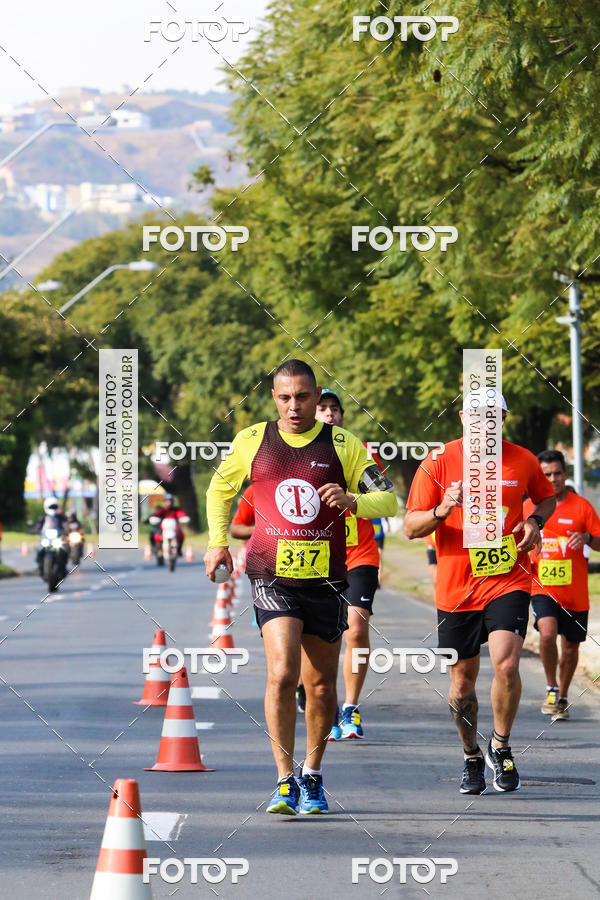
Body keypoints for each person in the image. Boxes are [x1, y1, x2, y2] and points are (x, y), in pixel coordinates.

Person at [204, 360, 397, 815]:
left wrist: (354, 500)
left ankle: (312, 775)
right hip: (272, 574)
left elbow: (387, 498)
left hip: (327, 579)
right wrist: (217, 543)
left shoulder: (344, 445)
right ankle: (284, 780)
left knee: (321, 687)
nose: (294, 406)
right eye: (285, 397)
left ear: (316, 397)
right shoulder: (253, 440)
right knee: (282, 672)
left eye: (303, 397)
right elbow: (218, 488)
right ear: (274, 398)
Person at [404, 391, 555, 794]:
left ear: (504, 418)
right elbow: (410, 527)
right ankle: (471, 756)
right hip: (456, 588)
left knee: (506, 664)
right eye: (476, 416)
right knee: (461, 683)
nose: (485, 423)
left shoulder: (522, 459)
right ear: (462, 417)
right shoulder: (437, 462)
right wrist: (442, 509)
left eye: (493, 416)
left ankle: (501, 746)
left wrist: (535, 521)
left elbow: (546, 496)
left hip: (508, 577)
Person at [314, 388, 382, 741]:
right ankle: (320, 699)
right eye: (322, 408)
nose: (329, 414)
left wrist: (353, 500)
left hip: (358, 555)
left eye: (335, 409)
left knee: (355, 629)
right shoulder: (291, 454)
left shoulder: (359, 453)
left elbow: (385, 501)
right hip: (312, 559)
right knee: (318, 638)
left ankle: (351, 708)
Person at [524, 450, 600, 721]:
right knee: (546, 632)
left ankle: (563, 696)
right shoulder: (529, 508)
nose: (553, 479)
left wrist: (588, 537)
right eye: (547, 474)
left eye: (557, 473)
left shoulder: (582, 507)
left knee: (570, 647)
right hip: (541, 586)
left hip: (575, 593)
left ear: (565, 475)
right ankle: (551, 688)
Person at [150, 493, 187, 558]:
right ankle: (159, 550)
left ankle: (179, 549)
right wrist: (153, 518)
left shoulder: (176, 510)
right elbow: (156, 515)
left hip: (174, 528)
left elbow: (181, 514)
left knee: (182, 535)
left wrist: (184, 517)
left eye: (170, 500)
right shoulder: (162, 510)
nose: (169, 502)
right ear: (165, 501)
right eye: (167, 500)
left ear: (172, 501)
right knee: (157, 536)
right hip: (164, 529)